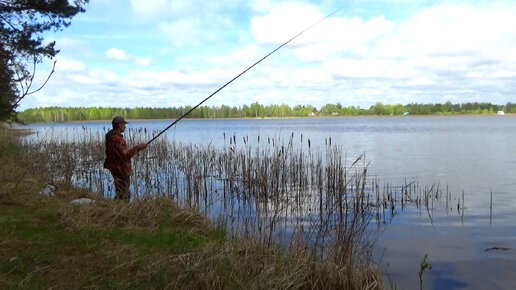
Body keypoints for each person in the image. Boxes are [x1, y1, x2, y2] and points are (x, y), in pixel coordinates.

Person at [104, 116, 147, 201]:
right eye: (124, 124)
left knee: (120, 192)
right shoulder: (118, 140)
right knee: (125, 194)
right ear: (119, 125)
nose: (125, 126)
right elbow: (126, 155)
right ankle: (121, 212)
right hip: (121, 170)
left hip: (114, 169)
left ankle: (116, 209)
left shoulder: (110, 136)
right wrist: (139, 147)